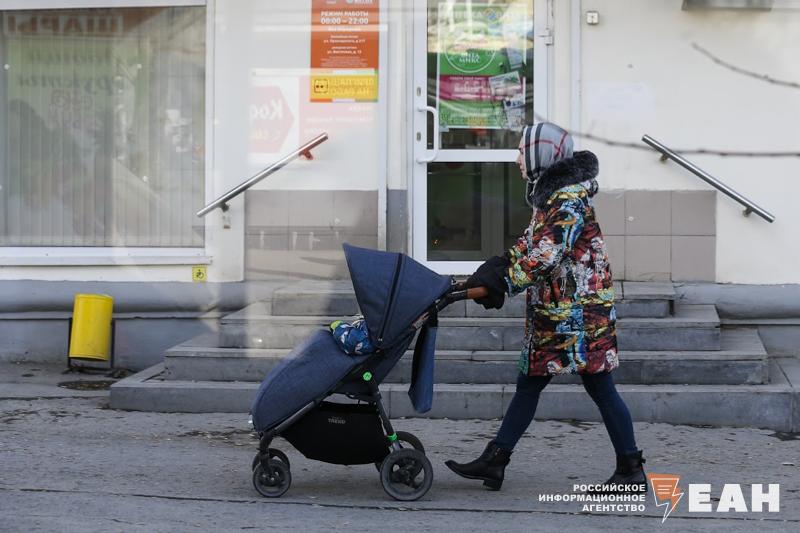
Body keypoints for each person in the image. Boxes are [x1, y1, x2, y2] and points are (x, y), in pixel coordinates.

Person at [445, 122, 646, 494]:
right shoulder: (550, 196)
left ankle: (630, 470)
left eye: (522, 151)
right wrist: (497, 266)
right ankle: (496, 460)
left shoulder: (567, 199)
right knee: (530, 385)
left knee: (600, 388)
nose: (517, 159)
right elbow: (532, 243)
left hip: (581, 316)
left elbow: (547, 256)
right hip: (558, 314)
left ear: (541, 154)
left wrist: (505, 282)